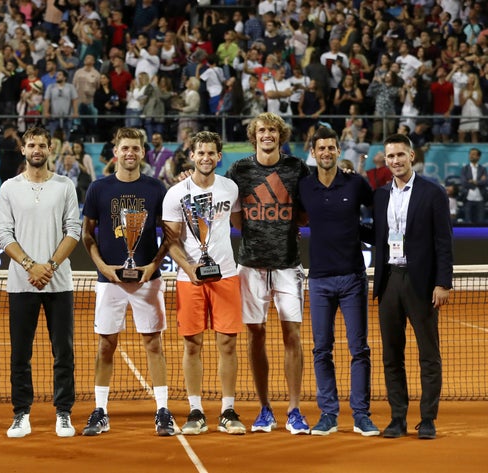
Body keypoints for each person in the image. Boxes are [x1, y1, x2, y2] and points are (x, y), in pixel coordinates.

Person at [81, 127, 178, 436]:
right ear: (116, 151)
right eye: (125, 148)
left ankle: (163, 410)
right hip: (109, 281)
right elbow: (87, 234)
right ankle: (100, 410)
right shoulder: (98, 188)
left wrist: (153, 265)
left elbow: (169, 234)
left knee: (153, 343)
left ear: (142, 152)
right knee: (106, 344)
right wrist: (102, 267)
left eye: (135, 148)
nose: (130, 153)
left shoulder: (156, 189)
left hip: (148, 280)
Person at [225, 112, 311, 435]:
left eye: (273, 130)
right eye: (262, 130)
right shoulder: (239, 170)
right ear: (254, 135)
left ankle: (293, 410)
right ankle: (264, 409)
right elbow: (235, 220)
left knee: (293, 336)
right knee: (255, 334)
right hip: (250, 266)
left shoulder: (296, 168)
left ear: (280, 135)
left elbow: (304, 215)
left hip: (288, 265)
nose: (267, 135)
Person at [0, 126, 81, 438]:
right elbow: (3, 233)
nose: (36, 150)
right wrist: (31, 266)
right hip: (21, 284)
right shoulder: (8, 188)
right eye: (31, 145)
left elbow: (74, 229)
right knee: (20, 353)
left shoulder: (65, 185)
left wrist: (50, 266)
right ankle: (21, 413)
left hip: (59, 284)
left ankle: (63, 413)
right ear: (23, 149)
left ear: (50, 149)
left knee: (64, 352)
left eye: (42, 145)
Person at [297, 127, 379, 437]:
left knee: (359, 350)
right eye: (322, 148)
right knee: (322, 350)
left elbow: (379, 213)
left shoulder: (356, 183)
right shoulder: (304, 187)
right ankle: (328, 414)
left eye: (332, 147)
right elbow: (296, 217)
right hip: (319, 281)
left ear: (338, 150)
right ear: (314, 152)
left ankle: (361, 415)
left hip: (353, 279)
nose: (327, 152)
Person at [371, 133, 453, 440]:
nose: (394, 161)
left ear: (411, 156)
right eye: (390, 156)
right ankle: (397, 419)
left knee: (428, 355)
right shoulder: (380, 196)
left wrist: (443, 282)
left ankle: (428, 419)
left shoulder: (433, 193)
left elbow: (444, 241)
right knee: (392, 355)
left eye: (400, 155)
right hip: (389, 281)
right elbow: (377, 234)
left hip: (421, 284)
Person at [162, 131, 245, 435]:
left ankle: (228, 409)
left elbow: (240, 224)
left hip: (226, 275)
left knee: (227, 343)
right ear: (192, 156)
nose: (207, 158)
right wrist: (190, 268)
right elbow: (170, 242)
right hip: (189, 279)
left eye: (212, 153)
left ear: (219, 156)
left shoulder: (231, 189)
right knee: (192, 344)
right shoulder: (175, 193)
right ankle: (195, 410)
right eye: (201, 153)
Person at [460, 148, 487, 225]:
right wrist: (479, 182)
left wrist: (474, 181)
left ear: (478, 157)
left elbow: (485, 182)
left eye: (474, 154)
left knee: (481, 223)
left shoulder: (483, 169)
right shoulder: (465, 169)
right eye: (470, 154)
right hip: (468, 199)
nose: (471, 156)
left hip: (480, 200)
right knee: (467, 223)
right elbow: (464, 182)